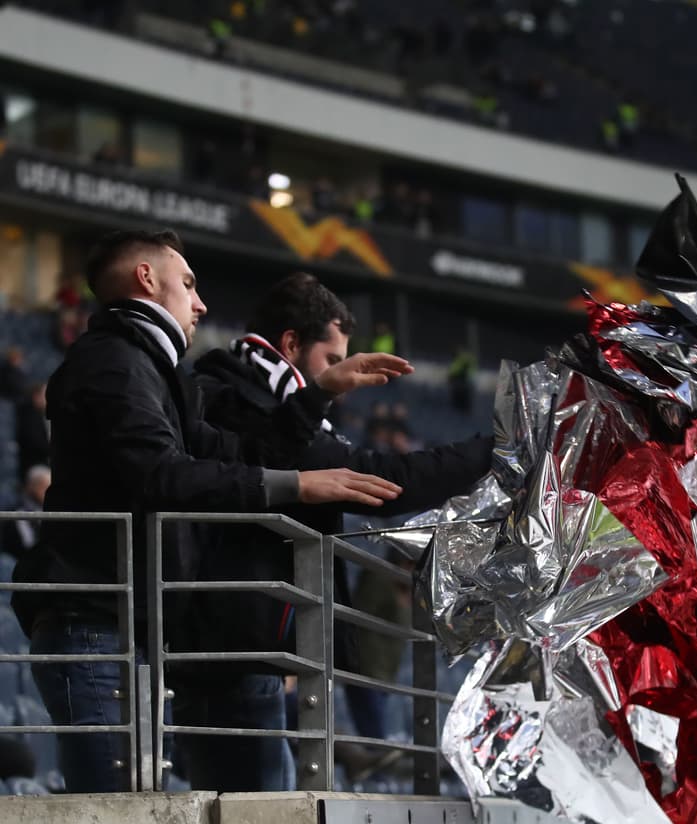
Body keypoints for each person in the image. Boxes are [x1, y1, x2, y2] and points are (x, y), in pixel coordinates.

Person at [11, 229, 411, 793]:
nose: (200, 303)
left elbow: (234, 452)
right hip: (94, 624)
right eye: (189, 284)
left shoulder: (149, 368)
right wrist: (297, 485)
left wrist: (316, 395)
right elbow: (163, 474)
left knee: (135, 807)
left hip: (124, 627)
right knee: (113, 811)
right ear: (147, 280)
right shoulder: (114, 363)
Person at [180, 272, 492, 791]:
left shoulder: (267, 400)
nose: (342, 377)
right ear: (290, 345)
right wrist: (492, 449)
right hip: (231, 648)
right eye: (331, 361)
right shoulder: (240, 399)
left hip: (251, 651)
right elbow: (384, 480)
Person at [1, 464, 50, 559]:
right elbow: (26, 545)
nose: (47, 493)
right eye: (44, 487)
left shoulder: (52, 509)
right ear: (32, 486)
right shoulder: (18, 512)